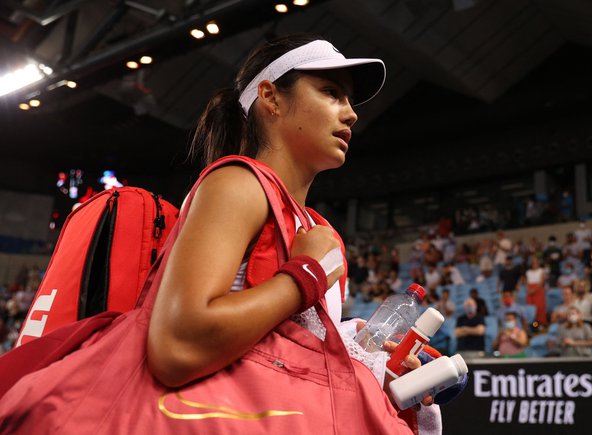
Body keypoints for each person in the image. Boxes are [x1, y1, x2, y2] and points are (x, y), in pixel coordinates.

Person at [1, 34, 443, 432]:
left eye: (349, 101)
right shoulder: (238, 183)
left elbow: (283, 355)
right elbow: (176, 348)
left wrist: (374, 369)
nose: (350, 114)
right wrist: (304, 276)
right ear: (271, 97)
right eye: (331, 92)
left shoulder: (318, 228)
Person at [524, 256, 548, 327]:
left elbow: (541, 283)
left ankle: (540, 324)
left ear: (538, 263)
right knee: (531, 308)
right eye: (533, 263)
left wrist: (533, 290)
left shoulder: (541, 271)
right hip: (530, 291)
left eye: (536, 262)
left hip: (538, 291)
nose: (534, 264)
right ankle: (534, 325)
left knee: (539, 308)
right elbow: (526, 282)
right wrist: (529, 290)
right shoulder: (528, 272)